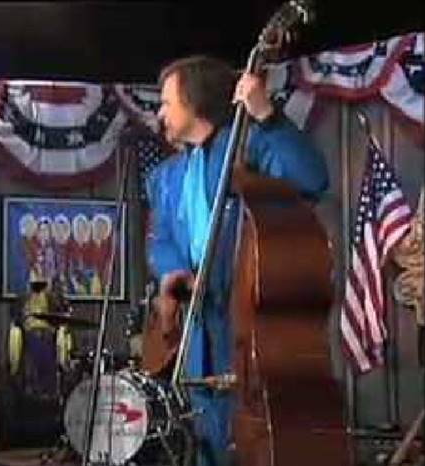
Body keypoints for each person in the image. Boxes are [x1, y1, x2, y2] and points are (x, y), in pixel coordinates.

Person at [145, 55, 328, 466]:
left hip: (244, 320)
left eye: (166, 103)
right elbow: (160, 241)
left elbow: (312, 179)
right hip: (196, 324)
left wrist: (266, 116)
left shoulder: (246, 145)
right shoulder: (165, 177)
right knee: (200, 438)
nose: (159, 113)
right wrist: (172, 274)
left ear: (195, 102)